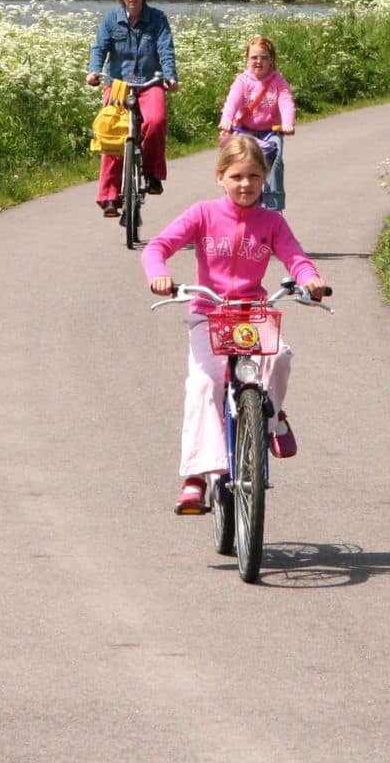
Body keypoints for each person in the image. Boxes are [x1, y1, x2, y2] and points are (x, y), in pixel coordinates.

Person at [141, 135, 326, 514]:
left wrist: (311, 279)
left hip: (252, 314)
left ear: (265, 178)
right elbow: (157, 247)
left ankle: (271, 421)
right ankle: (196, 475)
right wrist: (158, 274)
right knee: (205, 383)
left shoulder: (272, 221)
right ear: (220, 177)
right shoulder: (203, 214)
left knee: (281, 357)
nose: (246, 184)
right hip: (209, 315)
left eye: (255, 176)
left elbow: (296, 257)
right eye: (237, 176)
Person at [87, 0, 179, 216]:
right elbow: (99, 49)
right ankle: (109, 197)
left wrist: (170, 76)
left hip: (150, 83)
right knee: (112, 132)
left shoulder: (157, 19)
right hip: (118, 85)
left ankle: (152, 175)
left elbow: (165, 50)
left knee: (156, 121)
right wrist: (94, 72)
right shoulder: (110, 21)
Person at [218, 35, 295, 210]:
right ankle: (233, 199)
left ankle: (273, 205)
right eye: (254, 57)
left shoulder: (278, 81)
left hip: (270, 132)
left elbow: (286, 102)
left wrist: (288, 122)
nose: (258, 61)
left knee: (275, 159)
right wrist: (226, 120)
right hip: (244, 131)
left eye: (264, 57)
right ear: (247, 60)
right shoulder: (242, 81)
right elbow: (232, 102)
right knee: (236, 161)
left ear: (271, 60)